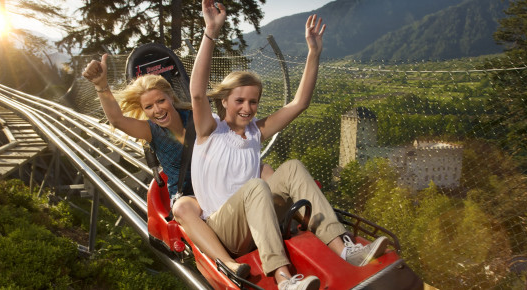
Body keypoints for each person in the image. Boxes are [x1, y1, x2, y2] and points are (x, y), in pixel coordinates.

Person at [189, 1, 387, 289]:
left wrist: (314, 53)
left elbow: (299, 103)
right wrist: (210, 32)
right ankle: (283, 277)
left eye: (253, 101)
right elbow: (196, 95)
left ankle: (343, 247)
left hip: (255, 218)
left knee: (292, 167)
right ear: (224, 101)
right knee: (257, 185)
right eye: (239, 100)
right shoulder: (210, 131)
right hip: (224, 229)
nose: (247, 107)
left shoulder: (256, 132)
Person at [81, 56, 267, 278]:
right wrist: (101, 86)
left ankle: (294, 223)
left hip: (220, 182)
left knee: (265, 170)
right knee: (181, 209)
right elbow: (118, 121)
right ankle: (228, 264)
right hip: (191, 194)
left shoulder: (197, 118)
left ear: (171, 97)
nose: (157, 110)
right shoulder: (152, 131)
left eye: (160, 101)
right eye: (148, 107)